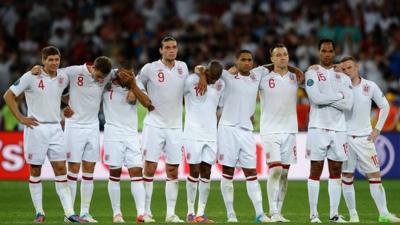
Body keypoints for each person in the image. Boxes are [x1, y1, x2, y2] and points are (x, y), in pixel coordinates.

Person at [3, 46, 84, 223]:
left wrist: (66, 107)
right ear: (43, 60)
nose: (54, 63)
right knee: (35, 170)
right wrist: (21, 118)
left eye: (57, 59)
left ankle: (69, 213)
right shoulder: (31, 76)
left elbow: (57, 96)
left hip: (56, 128)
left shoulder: (62, 77)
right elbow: (8, 95)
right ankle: (39, 212)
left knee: (61, 169)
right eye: (50, 60)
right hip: (36, 128)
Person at [136, 36, 206, 223]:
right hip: (154, 124)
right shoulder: (150, 68)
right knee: (149, 168)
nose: (171, 50)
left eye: (174, 47)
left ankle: (170, 213)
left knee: (173, 171)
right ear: (160, 50)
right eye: (167, 47)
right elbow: (136, 82)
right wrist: (144, 97)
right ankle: (146, 212)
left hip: (175, 126)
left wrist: (200, 73)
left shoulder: (182, 67)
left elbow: (191, 84)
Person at [339, 56, 400, 223]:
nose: (346, 71)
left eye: (349, 67)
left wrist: (378, 129)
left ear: (357, 67)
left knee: (374, 176)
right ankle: (353, 214)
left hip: (364, 138)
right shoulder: (339, 87)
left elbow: (385, 106)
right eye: (343, 69)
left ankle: (384, 213)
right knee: (346, 176)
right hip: (344, 137)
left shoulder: (369, 86)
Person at [217, 50, 270, 223]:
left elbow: (273, 65)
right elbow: (207, 68)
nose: (247, 62)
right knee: (228, 172)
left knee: (251, 172)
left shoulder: (257, 74)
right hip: (227, 129)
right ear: (236, 61)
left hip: (246, 131)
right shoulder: (227, 76)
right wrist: (225, 69)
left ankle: (260, 214)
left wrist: (294, 69)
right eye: (243, 60)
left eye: (250, 60)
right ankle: (231, 214)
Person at [305, 39, 354, 223]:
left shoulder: (343, 76)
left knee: (336, 170)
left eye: (330, 50)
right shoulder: (312, 73)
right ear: (318, 52)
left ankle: (334, 214)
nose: (327, 53)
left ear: (334, 52)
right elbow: (316, 99)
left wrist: (328, 98)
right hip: (318, 127)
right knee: (315, 169)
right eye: (324, 50)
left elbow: (349, 104)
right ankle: (313, 214)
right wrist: (339, 96)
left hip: (339, 129)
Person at [102, 64, 153, 223]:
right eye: (124, 74)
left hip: (131, 135)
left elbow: (146, 103)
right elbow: (95, 69)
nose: (127, 76)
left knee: (137, 172)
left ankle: (141, 213)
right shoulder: (105, 85)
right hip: (112, 134)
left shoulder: (136, 85)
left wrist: (132, 84)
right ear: (117, 74)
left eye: (130, 74)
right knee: (114, 174)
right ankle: (117, 213)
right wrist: (114, 73)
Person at [259, 44, 303, 222]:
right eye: (278, 55)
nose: (282, 57)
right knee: (275, 169)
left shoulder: (295, 77)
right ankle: (273, 211)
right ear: (271, 59)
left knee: (284, 174)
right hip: (270, 130)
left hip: (290, 130)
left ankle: (279, 211)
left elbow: (312, 82)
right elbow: (248, 72)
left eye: (285, 54)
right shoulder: (263, 76)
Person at [184, 60, 224, 223]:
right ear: (206, 72)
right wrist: (200, 75)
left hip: (211, 135)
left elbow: (219, 108)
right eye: (212, 77)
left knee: (206, 172)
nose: (214, 81)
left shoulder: (220, 84)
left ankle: (201, 213)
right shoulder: (191, 81)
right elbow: (197, 68)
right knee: (193, 171)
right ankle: (190, 212)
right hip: (192, 133)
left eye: (217, 78)